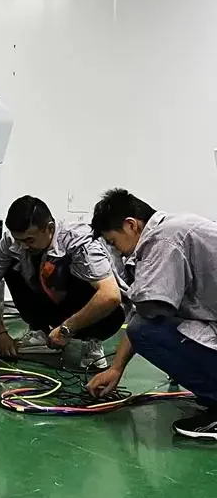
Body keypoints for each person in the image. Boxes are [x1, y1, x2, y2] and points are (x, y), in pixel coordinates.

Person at [87, 189, 217, 441]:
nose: (118, 252)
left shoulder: (163, 239)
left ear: (131, 225)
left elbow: (148, 313)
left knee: (145, 331)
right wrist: (117, 368)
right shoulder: (174, 229)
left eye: (113, 242)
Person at [0, 196, 125, 371]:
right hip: (49, 301)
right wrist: (0, 332)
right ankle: (40, 331)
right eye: (18, 240)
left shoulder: (79, 241)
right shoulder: (12, 242)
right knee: (10, 266)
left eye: (29, 240)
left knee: (77, 272)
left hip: (88, 306)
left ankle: (92, 340)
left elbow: (111, 295)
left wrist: (66, 329)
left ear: (50, 228)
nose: (23, 245)